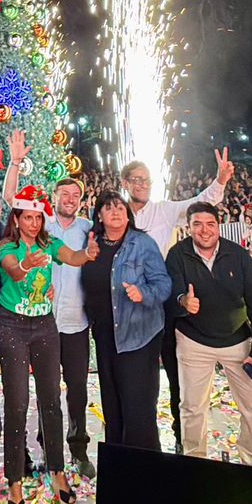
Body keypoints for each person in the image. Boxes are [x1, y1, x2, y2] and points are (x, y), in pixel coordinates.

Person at [0, 185, 98, 504]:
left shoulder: (50, 243)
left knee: (52, 400)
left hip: (44, 327)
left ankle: (57, 472)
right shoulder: (6, 246)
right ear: (17, 218)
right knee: (17, 402)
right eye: (28, 218)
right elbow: (13, 268)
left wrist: (89, 254)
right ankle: (14, 479)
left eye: (38, 218)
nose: (34, 223)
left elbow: (73, 258)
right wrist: (26, 265)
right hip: (12, 326)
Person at [122, 147, 234, 454]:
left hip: (163, 306)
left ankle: (182, 438)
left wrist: (220, 181)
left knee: (176, 375)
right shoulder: (117, 214)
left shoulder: (165, 210)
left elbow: (200, 204)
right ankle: (140, 442)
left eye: (146, 180)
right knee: (139, 380)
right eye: (136, 180)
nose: (142, 185)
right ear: (125, 183)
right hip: (130, 309)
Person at [165, 201, 252, 461]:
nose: (204, 230)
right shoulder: (177, 254)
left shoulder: (239, 255)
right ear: (188, 228)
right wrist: (183, 302)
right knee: (192, 407)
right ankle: (194, 459)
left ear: (218, 226)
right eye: (197, 224)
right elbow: (169, 296)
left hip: (237, 340)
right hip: (194, 342)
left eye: (210, 224)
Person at [83, 191, 172, 453]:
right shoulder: (93, 245)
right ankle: (119, 470)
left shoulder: (142, 243)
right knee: (112, 406)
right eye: (108, 208)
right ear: (99, 215)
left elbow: (164, 284)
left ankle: (143, 470)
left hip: (138, 337)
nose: (115, 212)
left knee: (138, 408)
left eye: (120, 208)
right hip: (105, 336)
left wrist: (143, 293)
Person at [42, 174, 95, 478]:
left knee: (77, 390)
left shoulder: (88, 230)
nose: (70, 199)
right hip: (45, 323)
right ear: (54, 196)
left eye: (76, 195)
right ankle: (49, 448)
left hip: (77, 323)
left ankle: (78, 448)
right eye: (65, 194)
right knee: (47, 390)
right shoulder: (42, 227)